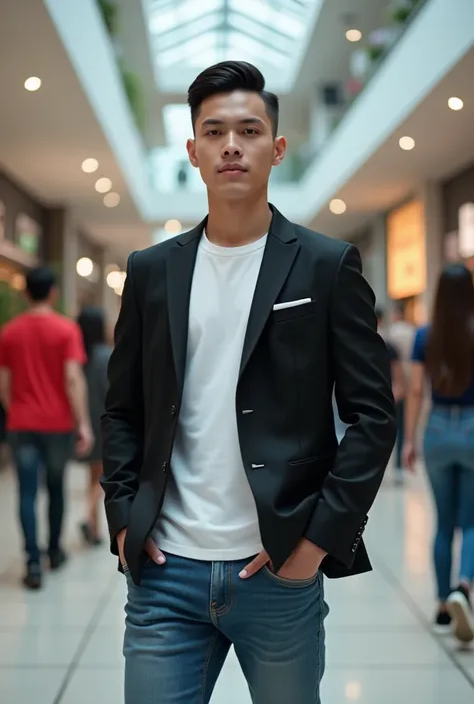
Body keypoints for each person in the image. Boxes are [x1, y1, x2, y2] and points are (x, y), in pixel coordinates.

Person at [102, 61, 396, 704]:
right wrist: (123, 519)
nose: (231, 144)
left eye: (249, 129)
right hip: (163, 574)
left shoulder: (325, 264)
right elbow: (123, 408)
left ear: (276, 147)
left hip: (280, 571)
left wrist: (317, 542)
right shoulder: (152, 271)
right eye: (214, 131)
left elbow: (374, 415)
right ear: (193, 150)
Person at [0, 267, 93, 589]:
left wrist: (16, 413)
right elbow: (72, 378)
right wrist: (83, 423)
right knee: (56, 487)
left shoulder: (9, 332)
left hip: (22, 423)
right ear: (52, 293)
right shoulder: (66, 330)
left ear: (26, 293)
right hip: (57, 424)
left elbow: (4, 382)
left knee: (26, 492)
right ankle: (54, 551)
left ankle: (32, 562)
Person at [404, 263, 474, 644]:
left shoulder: (426, 336)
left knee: (443, 523)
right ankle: (464, 586)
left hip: (438, 429)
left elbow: (416, 392)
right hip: (473, 428)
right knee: (472, 521)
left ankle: (443, 606)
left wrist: (411, 440)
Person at [77, 306, 111, 546]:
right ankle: (87, 516)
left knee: (93, 476)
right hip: (103, 422)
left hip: (82, 423)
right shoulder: (105, 356)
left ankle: (95, 530)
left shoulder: (79, 356)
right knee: (102, 477)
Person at [376, 306, 405, 482]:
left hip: (377, 394)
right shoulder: (388, 344)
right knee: (397, 431)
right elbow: (397, 372)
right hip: (390, 393)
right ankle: (398, 468)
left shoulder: (361, 342)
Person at [387, 301, 415, 474]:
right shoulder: (412, 331)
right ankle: (402, 460)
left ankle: (395, 462)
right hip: (411, 380)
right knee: (404, 423)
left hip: (395, 383)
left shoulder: (392, 334)